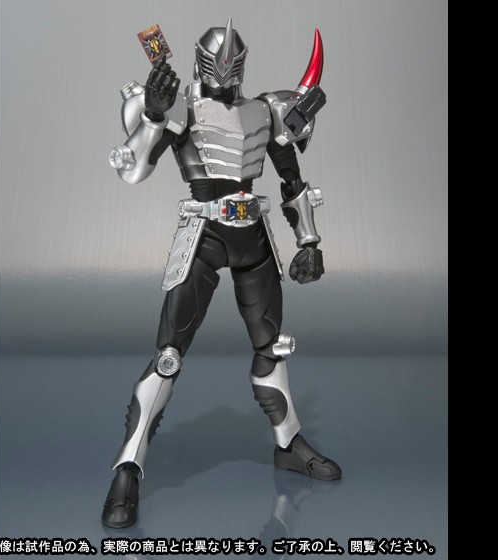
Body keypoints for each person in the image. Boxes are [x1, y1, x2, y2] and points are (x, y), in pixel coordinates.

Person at [104, 19, 341, 528]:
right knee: (168, 356)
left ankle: (288, 444)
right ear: (200, 61)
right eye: (218, 62)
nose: (225, 68)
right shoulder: (182, 107)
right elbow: (134, 169)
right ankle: (128, 468)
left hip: (254, 239)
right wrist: (153, 113)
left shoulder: (265, 110)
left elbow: (292, 179)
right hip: (204, 237)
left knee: (271, 347)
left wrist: (310, 241)